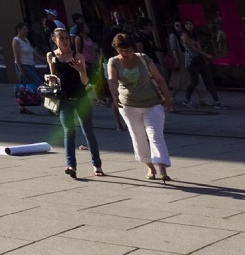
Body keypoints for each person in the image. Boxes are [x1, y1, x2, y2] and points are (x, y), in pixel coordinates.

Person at [108, 32, 174, 181]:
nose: (125, 54)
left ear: (134, 47)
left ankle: (162, 167)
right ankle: (150, 167)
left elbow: (159, 78)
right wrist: (114, 96)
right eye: (121, 51)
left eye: (128, 50)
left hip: (152, 103)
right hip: (128, 106)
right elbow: (112, 80)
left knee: (155, 136)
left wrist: (168, 99)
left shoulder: (144, 58)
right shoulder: (113, 62)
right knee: (138, 137)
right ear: (116, 49)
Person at [46, 27, 103, 178]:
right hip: (64, 100)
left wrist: (81, 70)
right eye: (61, 38)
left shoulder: (77, 55)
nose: (65, 41)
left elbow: (85, 82)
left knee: (88, 132)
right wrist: (50, 80)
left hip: (81, 99)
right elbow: (53, 79)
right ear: (54, 40)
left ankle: (97, 165)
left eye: (67, 38)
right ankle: (71, 165)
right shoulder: (51, 56)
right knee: (68, 132)